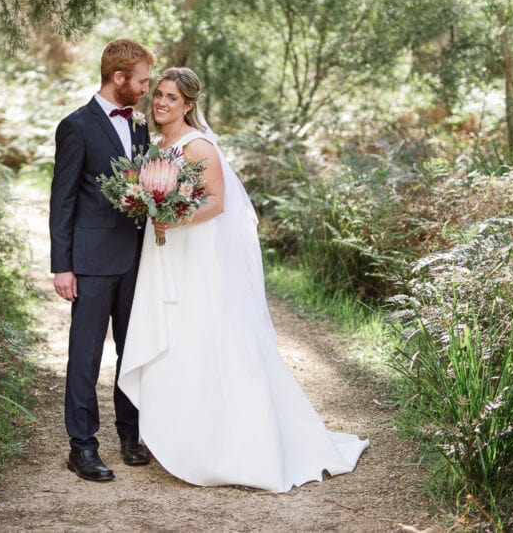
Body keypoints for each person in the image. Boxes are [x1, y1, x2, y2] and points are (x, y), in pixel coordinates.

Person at [118, 67, 370, 493]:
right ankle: (178, 431)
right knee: (173, 334)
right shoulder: (155, 142)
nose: (160, 102)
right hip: (164, 251)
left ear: (189, 105)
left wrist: (168, 219)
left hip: (191, 251)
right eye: (158, 94)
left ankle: (227, 442)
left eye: (171, 98)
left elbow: (217, 203)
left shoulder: (199, 146)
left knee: (200, 332)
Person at [50, 39, 155, 482]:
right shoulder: (75, 126)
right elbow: (63, 198)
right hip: (91, 262)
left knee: (134, 353)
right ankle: (83, 447)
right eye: (143, 81)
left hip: (137, 261)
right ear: (119, 79)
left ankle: (131, 437)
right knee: (86, 356)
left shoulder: (140, 125)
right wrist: (63, 265)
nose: (147, 89)